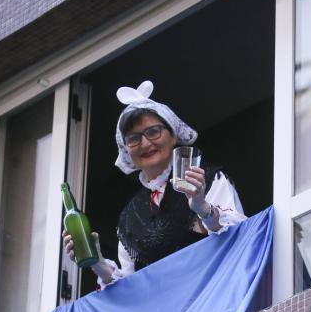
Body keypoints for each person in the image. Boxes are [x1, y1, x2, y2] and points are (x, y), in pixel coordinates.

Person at [63, 80, 246, 288]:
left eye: (153, 132)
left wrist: (203, 209)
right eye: (133, 138)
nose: (145, 143)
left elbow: (242, 238)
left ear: (173, 135)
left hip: (212, 297)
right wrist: (98, 263)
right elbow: (128, 290)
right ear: (126, 150)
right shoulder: (128, 218)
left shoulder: (208, 178)